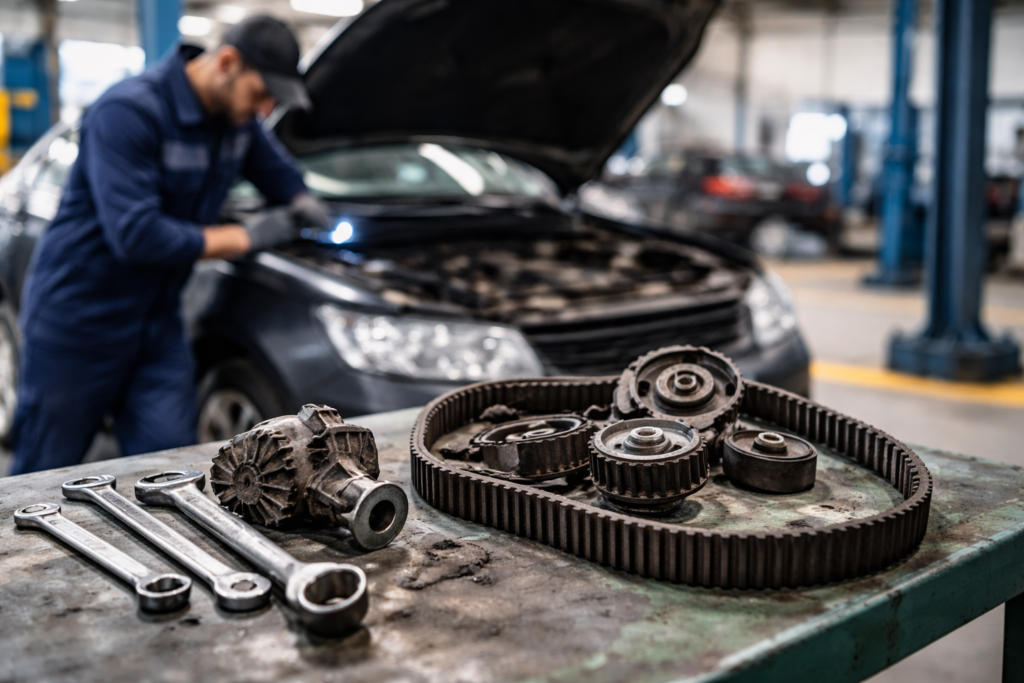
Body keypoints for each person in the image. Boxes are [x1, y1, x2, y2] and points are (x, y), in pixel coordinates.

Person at [10, 16, 332, 474]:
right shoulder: (129, 112)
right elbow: (137, 237)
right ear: (226, 62)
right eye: (262, 94)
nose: (265, 110)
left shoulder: (236, 122)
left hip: (156, 325)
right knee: (41, 474)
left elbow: (278, 175)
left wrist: (303, 201)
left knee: (170, 473)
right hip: (78, 322)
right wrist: (248, 236)